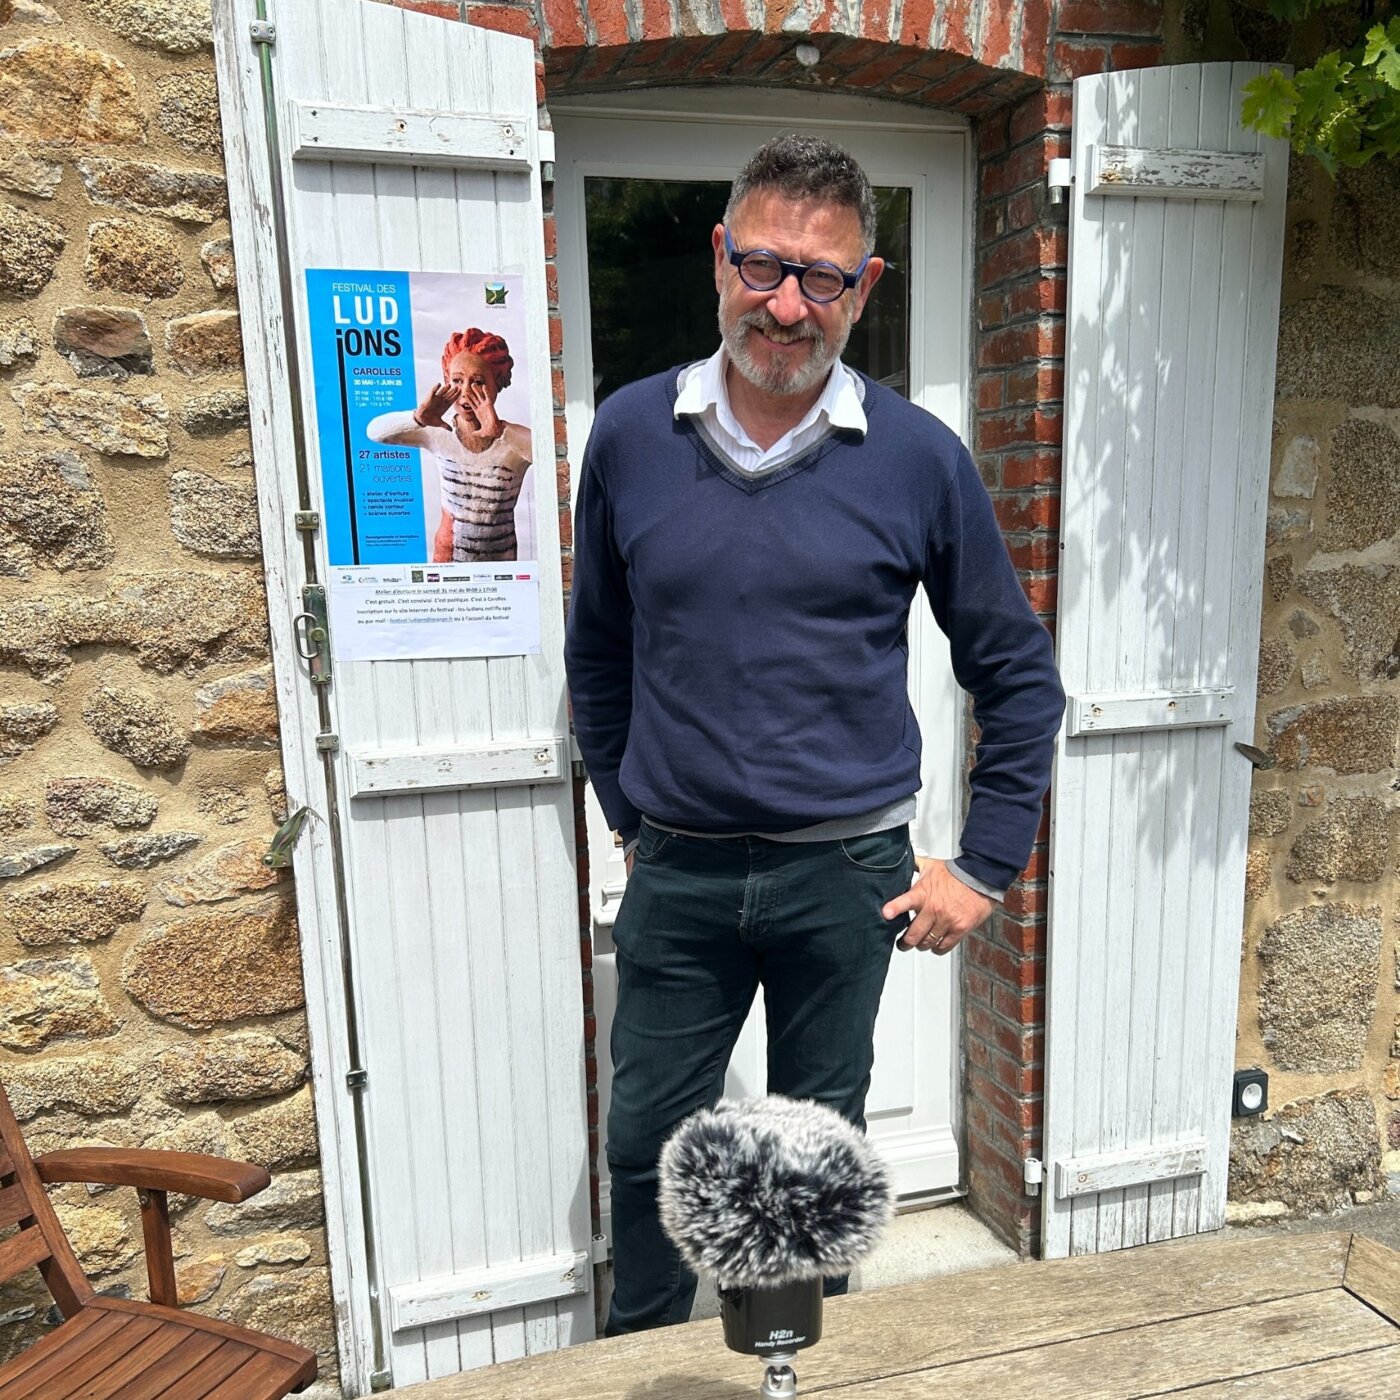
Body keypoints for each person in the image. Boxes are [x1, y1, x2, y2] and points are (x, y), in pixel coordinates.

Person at [564, 135, 1065, 1335]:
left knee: (807, 1158)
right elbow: (597, 652)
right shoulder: (632, 435)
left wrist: (985, 863)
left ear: (865, 287)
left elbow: (1016, 672)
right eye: (763, 266)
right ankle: (632, 1356)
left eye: (822, 278)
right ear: (719, 258)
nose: (786, 305)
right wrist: (635, 816)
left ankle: (779, 1357)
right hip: (677, 869)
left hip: (843, 876)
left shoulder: (916, 460)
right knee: (644, 1145)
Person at [367, 328, 532, 562]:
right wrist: (417, 418)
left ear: (498, 382)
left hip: (500, 568)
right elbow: (374, 432)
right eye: (456, 381)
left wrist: (501, 432)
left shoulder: (512, 440)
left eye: (477, 382)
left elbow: (549, 454)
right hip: (448, 563)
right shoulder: (440, 433)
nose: (465, 392)